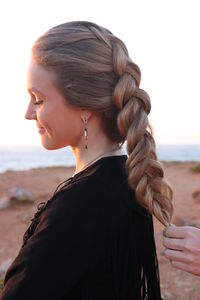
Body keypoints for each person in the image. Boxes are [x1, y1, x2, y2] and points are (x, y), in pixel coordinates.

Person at [0, 21, 173, 299]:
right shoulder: (129, 182)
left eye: (38, 99)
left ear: (84, 106)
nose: (28, 113)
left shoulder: (77, 208)